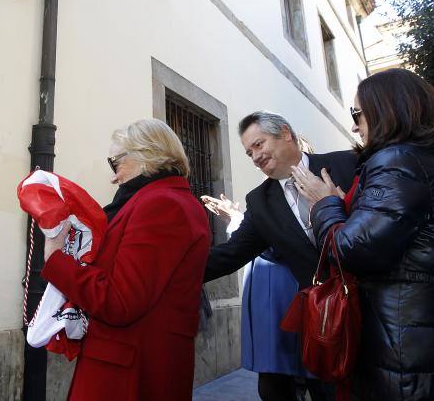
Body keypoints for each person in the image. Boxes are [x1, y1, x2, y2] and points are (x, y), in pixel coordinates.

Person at [291, 68, 434, 399]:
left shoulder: (398, 160)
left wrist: (325, 204)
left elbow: (353, 249)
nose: (353, 125)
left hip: (405, 346)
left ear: (386, 108)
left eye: (357, 113)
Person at [41, 118, 210, 400]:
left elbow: (120, 301)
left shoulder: (161, 204)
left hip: (129, 373)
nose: (113, 176)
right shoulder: (158, 200)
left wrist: (57, 259)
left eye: (116, 163)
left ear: (147, 155)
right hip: (131, 362)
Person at [203, 111, 357, 401]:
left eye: (259, 145)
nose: (255, 157)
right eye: (249, 153)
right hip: (328, 324)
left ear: (285, 133)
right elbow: (230, 254)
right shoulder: (260, 202)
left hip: (377, 311)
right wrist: (168, 269)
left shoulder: (347, 164)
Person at [203, 136, 317, 400]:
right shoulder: (268, 193)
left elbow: (280, 244)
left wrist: (235, 220)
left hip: (283, 294)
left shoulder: (304, 191)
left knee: (282, 373)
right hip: (269, 292)